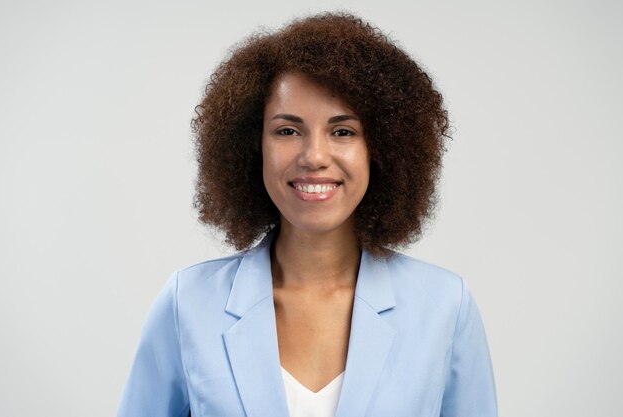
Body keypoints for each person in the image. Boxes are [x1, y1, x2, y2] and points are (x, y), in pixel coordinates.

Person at [117, 12, 498, 417]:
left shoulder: (444, 307)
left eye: (343, 131)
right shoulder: (187, 304)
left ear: (382, 148)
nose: (314, 157)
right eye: (287, 130)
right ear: (252, 146)